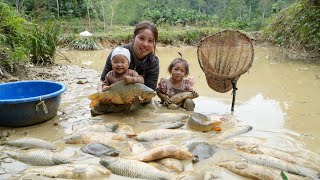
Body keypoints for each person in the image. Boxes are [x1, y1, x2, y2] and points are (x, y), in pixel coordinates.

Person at [97, 21, 159, 92]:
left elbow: (150, 91)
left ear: (154, 43)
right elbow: (102, 81)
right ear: (134, 37)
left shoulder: (153, 62)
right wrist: (101, 94)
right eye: (141, 38)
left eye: (150, 41)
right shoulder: (117, 54)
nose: (145, 44)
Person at [91, 47, 144, 116]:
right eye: (115, 62)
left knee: (136, 109)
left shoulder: (132, 73)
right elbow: (104, 84)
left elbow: (141, 80)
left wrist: (132, 79)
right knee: (95, 110)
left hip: (127, 102)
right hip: (112, 102)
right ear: (111, 64)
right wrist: (105, 87)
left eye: (122, 62)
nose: (119, 64)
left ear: (128, 64)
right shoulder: (109, 75)